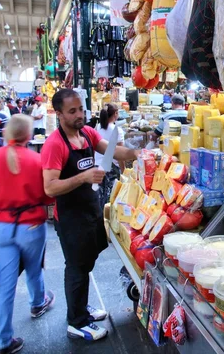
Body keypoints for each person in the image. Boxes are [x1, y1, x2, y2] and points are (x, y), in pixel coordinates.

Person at [41, 89, 140, 341]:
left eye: (81, 109)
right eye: (72, 111)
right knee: (76, 268)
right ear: (59, 113)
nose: (79, 115)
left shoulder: (87, 133)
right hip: (71, 218)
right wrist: (84, 176)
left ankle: (82, 309)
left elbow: (112, 151)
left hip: (89, 210)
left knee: (86, 264)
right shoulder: (54, 144)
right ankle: (76, 322)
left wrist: (138, 152)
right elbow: (50, 187)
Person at [0, 114, 55, 354]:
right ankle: (38, 303)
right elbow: (49, 195)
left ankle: (2, 340)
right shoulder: (36, 160)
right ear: (28, 135)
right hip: (31, 227)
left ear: (6, 133)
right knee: (34, 267)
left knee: (6, 287)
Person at [95, 103, 125, 209]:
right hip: (110, 169)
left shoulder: (98, 127)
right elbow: (120, 154)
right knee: (110, 199)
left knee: (99, 197)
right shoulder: (117, 130)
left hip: (97, 165)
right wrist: (123, 170)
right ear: (115, 114)